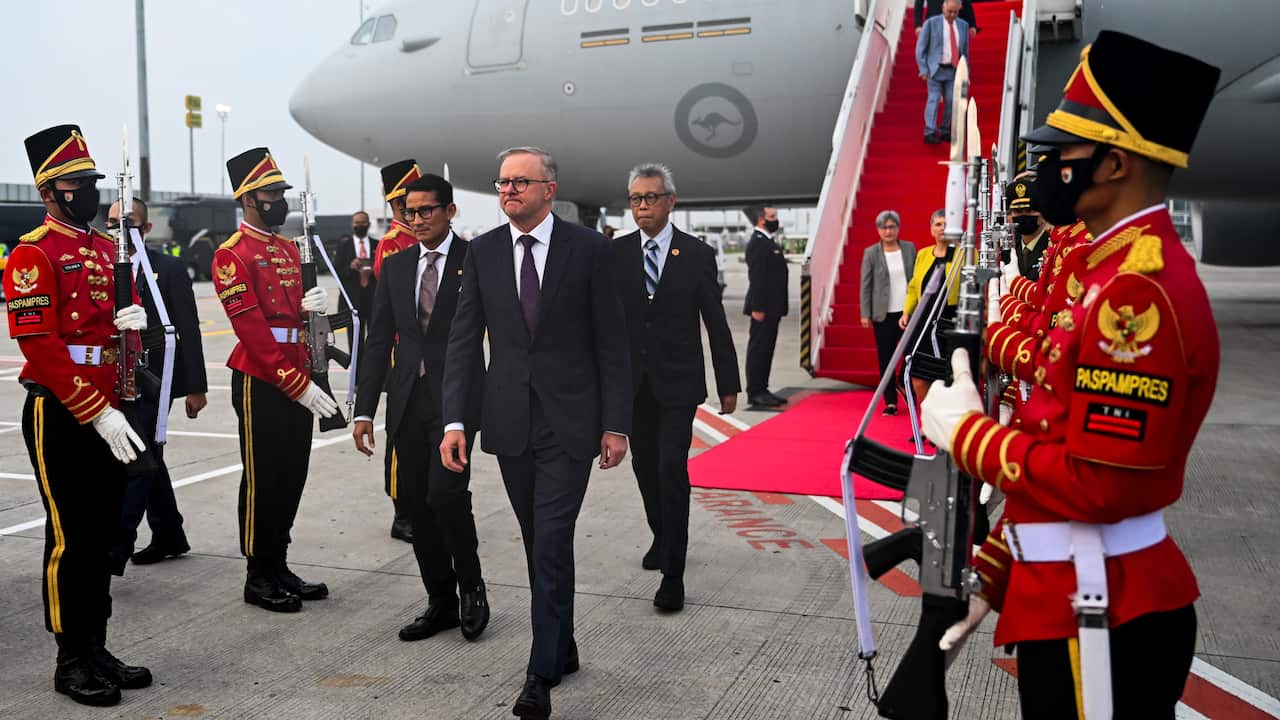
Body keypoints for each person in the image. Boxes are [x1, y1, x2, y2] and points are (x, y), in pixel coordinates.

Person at [921, 31, 1221, 718]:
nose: (1047, 163)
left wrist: (967, 435)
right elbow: (1059, 437)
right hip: (1069, 589)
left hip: (1104, 613)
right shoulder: (1107, 273)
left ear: (1113, 164)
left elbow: (1098, 485)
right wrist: (994, 577)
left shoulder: (1134, 294)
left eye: (1065, 150)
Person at [440, 147, 631, 719]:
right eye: (502, 183)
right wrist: (455, 420)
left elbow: (612, 345)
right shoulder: (483, 252)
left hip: (571, 424)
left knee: (549, 541)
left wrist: (616, 423)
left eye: (521, 182)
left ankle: (538, 674)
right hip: (510, 422)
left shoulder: (590, 250)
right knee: (538, 542)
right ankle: (562, 643)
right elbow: (463, 340)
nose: (508, 191)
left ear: (550, 188)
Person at [5, 124, 153, 706]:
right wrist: (96, 410)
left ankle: (97, 645)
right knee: (70, 538)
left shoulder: (99, 250)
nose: (89, 192)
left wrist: (132, 332)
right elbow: (38, 343)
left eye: (92, 182)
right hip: (62, 412)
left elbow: (108, 334)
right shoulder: (32, 252)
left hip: (109, 405)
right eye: (79, 184)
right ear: (50, 190)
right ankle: (71, 657)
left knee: (102, 533)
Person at [352, 174, 490, 643]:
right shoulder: (396, 267)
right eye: (409, 212)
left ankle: (471, 586)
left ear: (450, 211)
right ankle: (440, 602)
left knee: (446, 495)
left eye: (426, 210)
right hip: (407, 399)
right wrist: (364, 409)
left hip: (457, 398)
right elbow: (377, 341)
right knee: (413, 503)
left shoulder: (476, 261)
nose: (417, 220)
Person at [213, 146, 342, 613]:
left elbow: (299, 322)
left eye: (281, 193)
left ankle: (280, 563)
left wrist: (319, 313)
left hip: (299, 374)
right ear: (249, 199)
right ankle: (257, 572)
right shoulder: (233, 256)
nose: (279, 201)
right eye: (271, 194)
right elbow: (252, 333)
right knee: (263, 478)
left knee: (292, 475)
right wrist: (296, 383)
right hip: (262, 380)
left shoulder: (288, 249)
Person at [610, 163, 740, 612]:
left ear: (670, 201)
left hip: (678, 384)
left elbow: (715, 322)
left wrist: (729, 381)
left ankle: (674, 574)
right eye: (635, 199)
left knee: (671, 467)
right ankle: (662, 535)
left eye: (650, 197)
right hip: (632, 385)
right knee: (645, 469)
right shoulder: (617, 253)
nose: (642, 206)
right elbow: (604, 325)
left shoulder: (697, 254)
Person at [107, 198, 207, 573]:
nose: (118, 230)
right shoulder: (102, 267)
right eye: (112, 222)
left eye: (128, 223)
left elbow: (189, 328)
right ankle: (169, 534)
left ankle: (115, 548)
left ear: (146, 229)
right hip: (114, 379)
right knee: (151, 457)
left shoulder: (167, 268)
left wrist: (195, 386)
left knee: (138, 456)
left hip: (154, 381)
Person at [372, 159, 423, 543]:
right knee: (401, 429)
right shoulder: (393, 246)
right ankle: (401, 509)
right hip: (402, 348)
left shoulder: (426, 237)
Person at [859, 210, 916, 415]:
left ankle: (907, 387)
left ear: (898, 228)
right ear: (878, 230)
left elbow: (917, 279)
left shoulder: (909, 249)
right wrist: (865, 313)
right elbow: (866, 285)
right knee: (886, 358)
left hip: (907, 312)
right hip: (883, 315)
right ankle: (890, 401)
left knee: (912, 355)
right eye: (883, 227)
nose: (888, 231)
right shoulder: (871, 253)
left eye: (892, 226)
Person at [742, 205, 788, 408]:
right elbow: (757, 278)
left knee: (766, 349)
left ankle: (762, 388)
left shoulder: (767, 241)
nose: (775, 220)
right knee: (759, 349)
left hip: (772, 307)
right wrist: (758, 307)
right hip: (763, 308)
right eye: (772, 216)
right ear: (761, 220)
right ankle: (755, 391)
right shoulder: (758, 244)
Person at [916, 0, 970, 144]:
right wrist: (923, 69)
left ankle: (945, 130)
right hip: (935, 69)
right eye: (949, 11)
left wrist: (966, 73)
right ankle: (930, 131)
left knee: (951, 100)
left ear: (959, 9)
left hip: (953, 70)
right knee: (933, 99)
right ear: (943, 7)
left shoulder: (963, 26)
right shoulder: (931, 23)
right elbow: (920, 48)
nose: (952, 15)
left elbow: (965, 53)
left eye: (955, 12)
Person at [333, 211, 378, 354]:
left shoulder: (377, 245)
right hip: (352, 302)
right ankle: (356, 374)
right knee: (355, 343)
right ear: (352, 225)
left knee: (375, 340)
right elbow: (337, 272)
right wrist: (350, 267)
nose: (359, 226)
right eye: (356, 223)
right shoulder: (343, 246)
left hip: (373, 300)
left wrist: (374, 270)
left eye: (362, 223)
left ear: (369, 224)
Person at [1006, 173, 1053, 281]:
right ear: (1009, 217)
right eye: (1017, 211)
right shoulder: (1008, 250)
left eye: (1028, 211)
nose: (1023, 216)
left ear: (1043, 215)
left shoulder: (1053, 248)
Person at [913, 0, 978, 36]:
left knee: (956, 51)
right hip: (934, 22)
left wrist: (972, 24)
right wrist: (918, 25)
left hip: (954, 20)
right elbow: (919, 2)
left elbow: (966, 2)